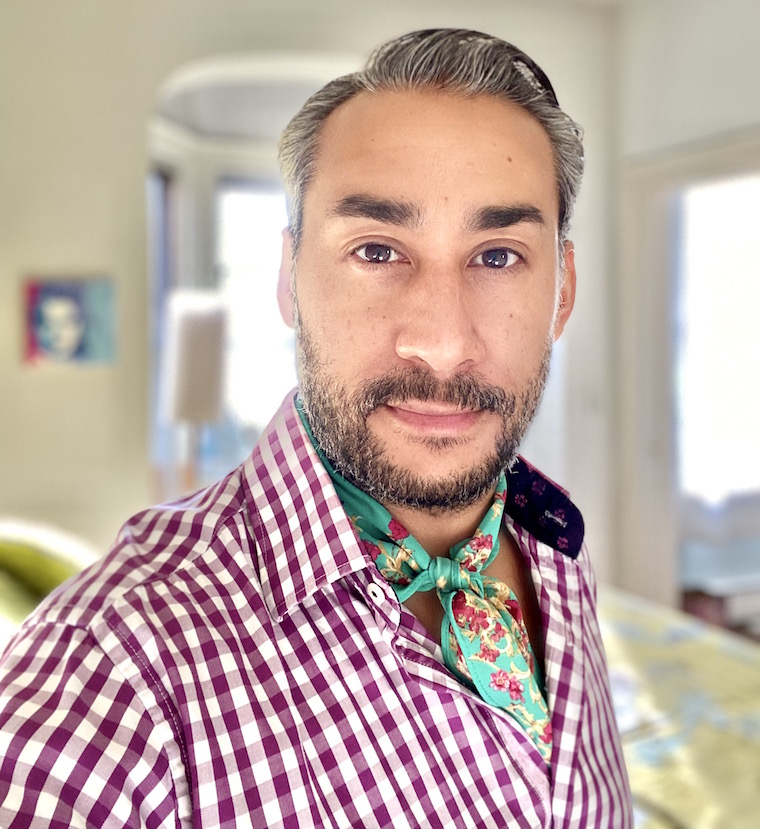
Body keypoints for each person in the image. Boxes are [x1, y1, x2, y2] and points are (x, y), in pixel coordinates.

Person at [0, 28, 632, 828]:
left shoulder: (556, 549)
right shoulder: (112, 674)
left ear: (562, 291)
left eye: (499, 256)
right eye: (377, 250)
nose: (443, 342)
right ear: (289, 281)